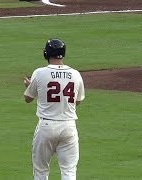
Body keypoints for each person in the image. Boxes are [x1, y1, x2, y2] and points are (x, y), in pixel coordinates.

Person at [23, 38, 85, 180]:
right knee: (69, 171)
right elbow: (78, 101)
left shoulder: (39, 73)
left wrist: (31, 86)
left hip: (46, 127)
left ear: (47, 53)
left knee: (41, 171)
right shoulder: (75, 74)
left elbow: (28, 99)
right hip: (69, 126)